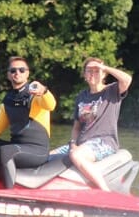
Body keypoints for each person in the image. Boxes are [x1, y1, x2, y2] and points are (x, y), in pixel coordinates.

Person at [0, 56, 56, 189]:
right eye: (13, 70)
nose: (17, 73)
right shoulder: (8, 100)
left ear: (27, 73)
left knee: (6, 151)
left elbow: (51, 105)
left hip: (37, 151)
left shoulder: (36, 95)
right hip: (16, 147)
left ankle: (9, 194)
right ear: (8, 75)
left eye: (21, 70)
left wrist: (44, 91)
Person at [55, 57, 132, 192]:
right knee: (48, 156)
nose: (92, 74)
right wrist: (73, 143)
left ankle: (104, 191)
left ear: (103, 74)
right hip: (82, 143)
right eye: (89, 71)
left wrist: (104, 67)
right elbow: (76, 127)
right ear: (84, 75)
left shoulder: (112, 91)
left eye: (97, 71)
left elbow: (127, 79)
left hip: (104, 142)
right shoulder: (82, 96)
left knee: (77, 155)